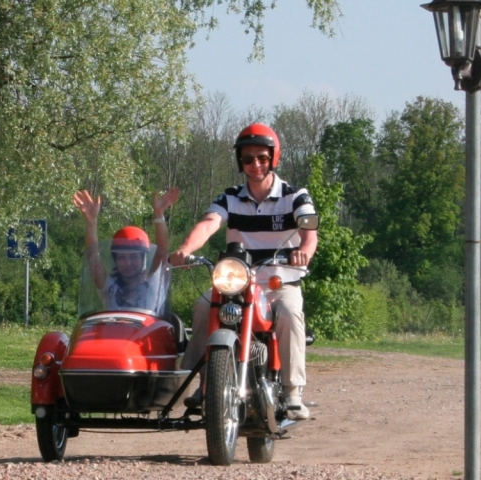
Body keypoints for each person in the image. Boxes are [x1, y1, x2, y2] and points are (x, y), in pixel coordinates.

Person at [169, 123, 318, 420]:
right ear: (240, 162)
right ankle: (202, 384)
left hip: (279, 280)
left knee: (289, 313)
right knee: (203, 307)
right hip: (237, 282)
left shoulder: (295, 195)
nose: (255, 165)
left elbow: (310, 233)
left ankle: (292, 391)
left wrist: (304, 252)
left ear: (273, 158)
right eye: (248, 159)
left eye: (262, 158)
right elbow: (209, 223)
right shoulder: (230, 197)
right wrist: (185, 249)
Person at [73, 187, 179, 311]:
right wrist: (91, 221)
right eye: (121, 257)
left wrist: (159, 214)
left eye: (133, 257)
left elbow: (161, 252)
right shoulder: (110, 289)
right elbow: (93, 258)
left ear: (143, 258)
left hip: (147, 330)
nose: (128, 263)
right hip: (114, 331)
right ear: (115, 260)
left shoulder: (153, 286)